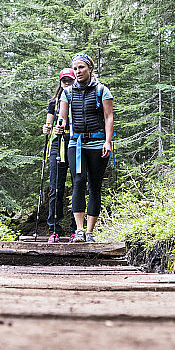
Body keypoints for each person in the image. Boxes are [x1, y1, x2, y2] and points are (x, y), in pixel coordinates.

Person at [54, 53, 113, 243]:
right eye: (76, 68)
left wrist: (108, 142)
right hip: (76, 143)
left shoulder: (102, 90)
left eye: (81, 68)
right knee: (78, 182)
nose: (78, 71)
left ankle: (90, 231)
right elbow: (62, 115)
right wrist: (59, 125)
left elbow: (108, 117)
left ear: (90, 69)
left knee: (95, 186)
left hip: (97, 143)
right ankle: (79, 230)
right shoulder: (67, 92)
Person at [42, 68, 78, 243]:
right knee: (56, 188)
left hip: (75, 142)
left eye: (69, 80)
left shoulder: (78, 98)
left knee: (77, 186)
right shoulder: (53, 102)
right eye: (64, 80)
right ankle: (53, 230)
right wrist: (47, 129)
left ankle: (75, 230)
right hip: (57, 144)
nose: (66, 82)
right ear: (60, 81)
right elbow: (49, 123)